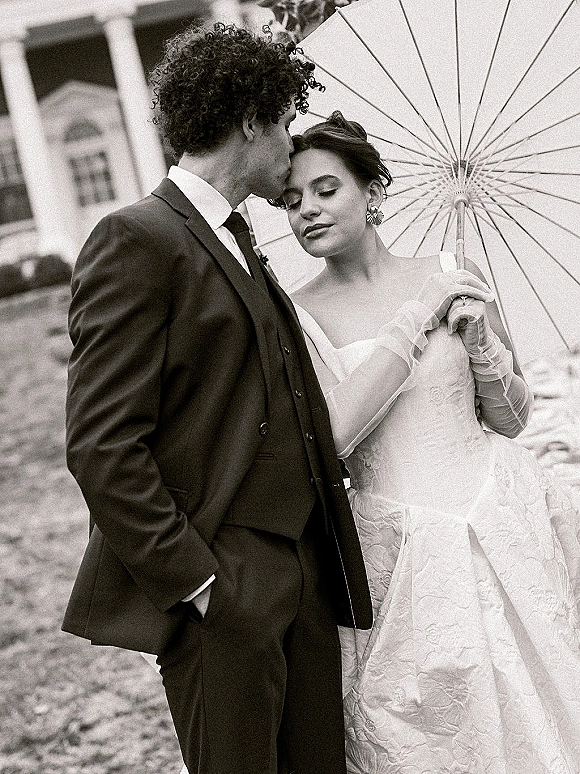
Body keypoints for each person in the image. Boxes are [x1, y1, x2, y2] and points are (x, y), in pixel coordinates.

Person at [61, 28, 372, 774]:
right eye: (285, 125)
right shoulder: (135, 238)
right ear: (250, 120)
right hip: (224, 591)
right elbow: (101, 445)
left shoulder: (237, 236)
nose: (291, 148)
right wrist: (200, 585)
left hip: (302, 575)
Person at [275, 110, 580, 773]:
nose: (306, 212)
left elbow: (512, 417)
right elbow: (333, 435)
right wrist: (417, 319)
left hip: (503, 518)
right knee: (439, 729)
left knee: (545, 704)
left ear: (374, 193)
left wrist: (482, 347)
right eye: (291, 201)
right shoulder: (295, 312)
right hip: (402, 548)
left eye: (326, 190)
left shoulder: (451, 268)